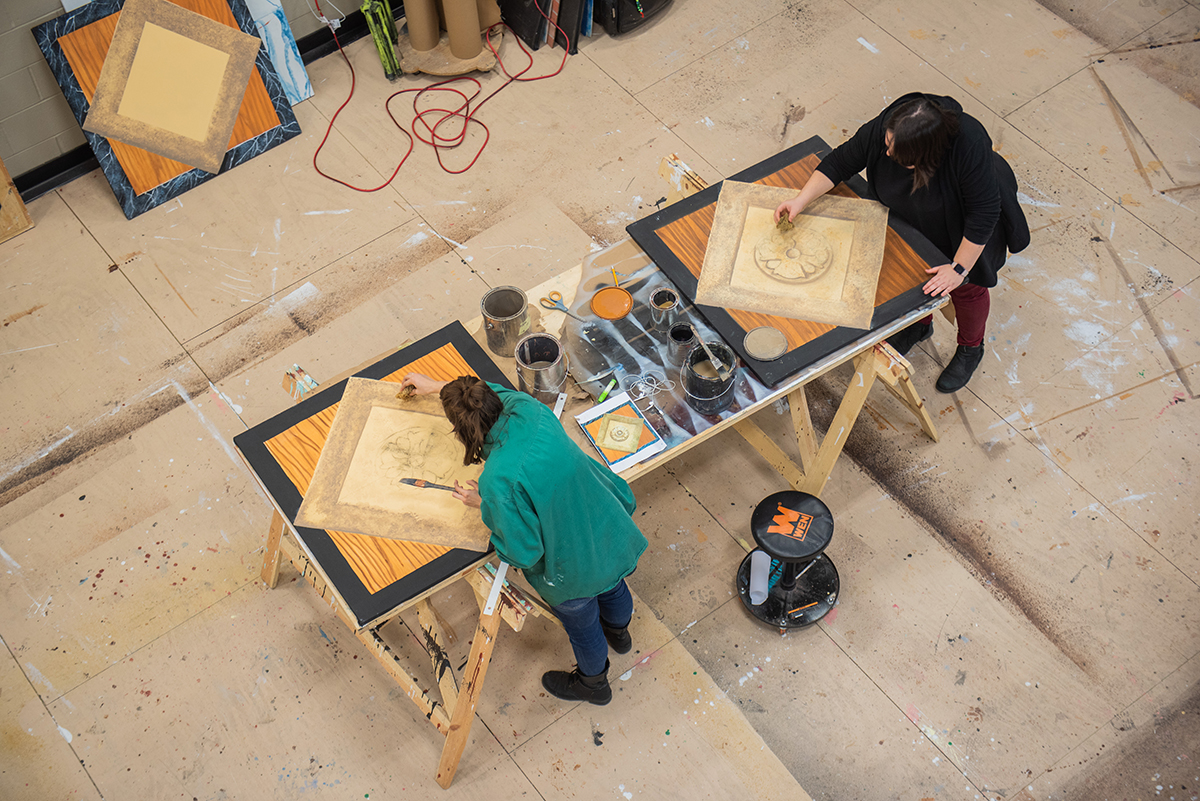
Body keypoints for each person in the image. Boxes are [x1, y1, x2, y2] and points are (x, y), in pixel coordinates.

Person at [399, 372, 648, 706]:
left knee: (583, 626)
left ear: (463, 434)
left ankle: (594, 685)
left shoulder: (498, 478)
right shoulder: (527, 408)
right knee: (615, 585)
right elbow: (495, 391)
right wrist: (438, 387)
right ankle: (620, 634)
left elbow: (524, 552)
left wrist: (484, 504)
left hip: (572, 568)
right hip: (606, 527)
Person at [775, 92, 1029, 393]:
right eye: (887, 143)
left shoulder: (968, 146)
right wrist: (800, 200)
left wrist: (959, 269)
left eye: (897, 153)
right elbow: (842, 161)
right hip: (911, 211)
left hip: (961, 225)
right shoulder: (893, 125)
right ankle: (918, 325)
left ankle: (971, 348)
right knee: (911, 273)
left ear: (925, 157)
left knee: (966, 291)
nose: (886, 153)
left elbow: (983, 214)